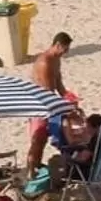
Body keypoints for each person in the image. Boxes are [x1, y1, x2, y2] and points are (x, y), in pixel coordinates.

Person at [25, 34, 72, 173]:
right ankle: (30, 170)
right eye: (65, 49)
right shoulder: (44, 62)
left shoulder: (56, 60)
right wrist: (62, 105)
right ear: (57, 45)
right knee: (37, 141)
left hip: (49, 104)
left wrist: (68, 97)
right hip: (39, 105)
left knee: (43, 140)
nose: (66, 52)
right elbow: (47, 90)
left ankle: (37, 166)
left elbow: (58, 84)